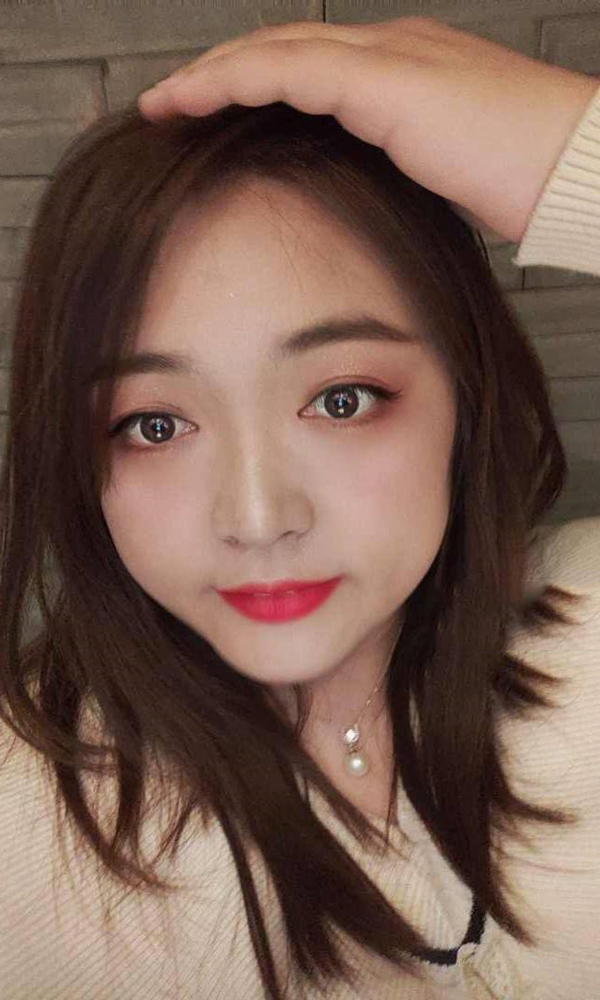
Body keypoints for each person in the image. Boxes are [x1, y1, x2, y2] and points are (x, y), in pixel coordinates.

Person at [0, 15, 598, 1000]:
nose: (257, 517)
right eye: (155, 423)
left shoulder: (590, 635)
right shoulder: (25, 839)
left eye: (341, 400)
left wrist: (570, 148)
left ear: (466, 396)